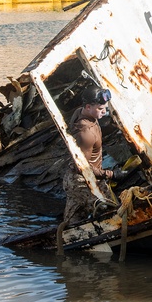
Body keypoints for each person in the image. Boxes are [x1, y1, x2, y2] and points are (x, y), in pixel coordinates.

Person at [61, 84, 130, 224]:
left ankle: (68, 242)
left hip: (78, 177)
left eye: (105, 108)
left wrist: (111, 125)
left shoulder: (81, 113)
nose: (104, 112)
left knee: (72, 222)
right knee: (108, 212)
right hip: (81, 180)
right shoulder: (86, 133)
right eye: (100, 109)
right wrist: (111, 174)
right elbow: (81, 167)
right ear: (88, 107)